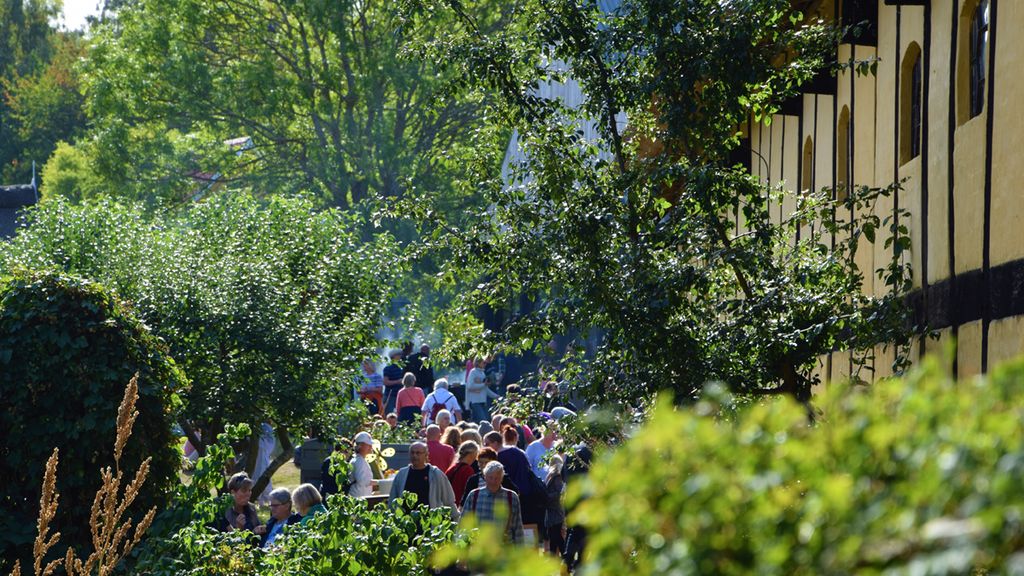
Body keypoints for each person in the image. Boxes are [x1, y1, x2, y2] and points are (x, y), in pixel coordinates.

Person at [388, 442, 459, 520]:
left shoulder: (436, 474)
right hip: (406, 523)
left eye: (418, 453)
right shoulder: (401, 474)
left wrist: (455, 518)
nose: (415, 456)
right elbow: (393, 499)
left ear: (426, 455)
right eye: (412, 453)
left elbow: (448, 500)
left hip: (429, 522)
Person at [462, 461, 525, 544]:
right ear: (485, 477)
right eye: (490, 477)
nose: (493, 481)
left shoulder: (512, 497)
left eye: (497, 478)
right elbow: (463, 525)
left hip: (504, 550)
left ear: (502, 478)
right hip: (478, 549)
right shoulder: (474, 495)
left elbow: (518, 528)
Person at [498, 426, 546, 528]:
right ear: (516, 438)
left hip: (503, 494)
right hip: (523, 494)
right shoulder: (520, 453)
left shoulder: (499, 454)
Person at [544, 455, 566, 556]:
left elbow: (559, 493)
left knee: (555, 535)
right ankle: (557, 557)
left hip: (555, 509)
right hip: (553, 509)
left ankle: (565, 556)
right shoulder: (554, 475)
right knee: (554, 535)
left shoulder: (556, 476)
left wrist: (547, 496)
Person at [446, 440, 479, 506]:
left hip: (448, 504)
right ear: (471, 455)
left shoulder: (452, 468)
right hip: (459, 506)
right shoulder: (468, 470)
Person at [465, 357, 497, 423]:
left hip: (483, 402)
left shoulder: (482, 373)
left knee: (481, 421)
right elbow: (470, 386)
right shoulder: (473, 372)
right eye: (484, 362)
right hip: (475, 401)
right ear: (478, 362)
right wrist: (483, 384)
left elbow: (486, 390)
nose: (485, 364)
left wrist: (496, 396)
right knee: (484, 421)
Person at [252, 422, 276, 505]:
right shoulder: (259, 426)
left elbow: (270, 443)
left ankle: (265, 498)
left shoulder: (266, 428)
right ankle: (259, 498)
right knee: (256, 474)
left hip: (263, 455)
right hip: (258, 456)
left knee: (262, 473)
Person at [349, 431, 377, 498]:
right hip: (358, 499)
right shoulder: (359, 461)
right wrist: (380, 483)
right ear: (360, 446)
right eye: (368, 444)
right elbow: (362, 481)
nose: (371, 446)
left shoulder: (360, 460)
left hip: (361, 498)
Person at [382, 349, 405, 415]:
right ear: (393, 357)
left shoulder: (402, 368)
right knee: (389, 414)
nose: (401, 356)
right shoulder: (388, 368)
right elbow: (385, 382)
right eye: (399, 355)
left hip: (400, 395)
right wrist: (397, 381)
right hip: (390, 395)